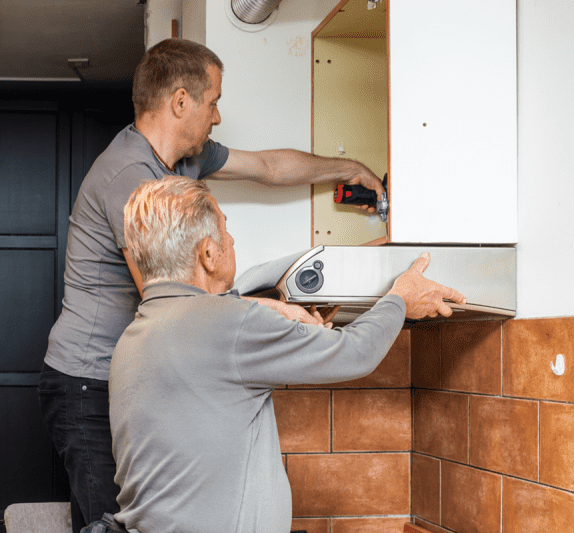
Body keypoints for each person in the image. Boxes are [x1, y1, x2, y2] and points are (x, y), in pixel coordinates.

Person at [38, 38, 389, 532]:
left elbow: (269, 167)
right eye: (214, 101)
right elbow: (167, 301)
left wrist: (348, 168)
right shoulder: (132, 178)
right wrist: (273, 312)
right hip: (87, 382)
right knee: (116, 524)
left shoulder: (182, 163)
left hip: (135, 373)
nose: (219, 116)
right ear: (181, 101)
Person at [105, 177, 465, 533]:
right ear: (208, 254)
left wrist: (292, 326)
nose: (230, 240)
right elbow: (355, 354)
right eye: (224, 231)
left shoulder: (133, 338)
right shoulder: (227, 324)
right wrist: (400, 299)